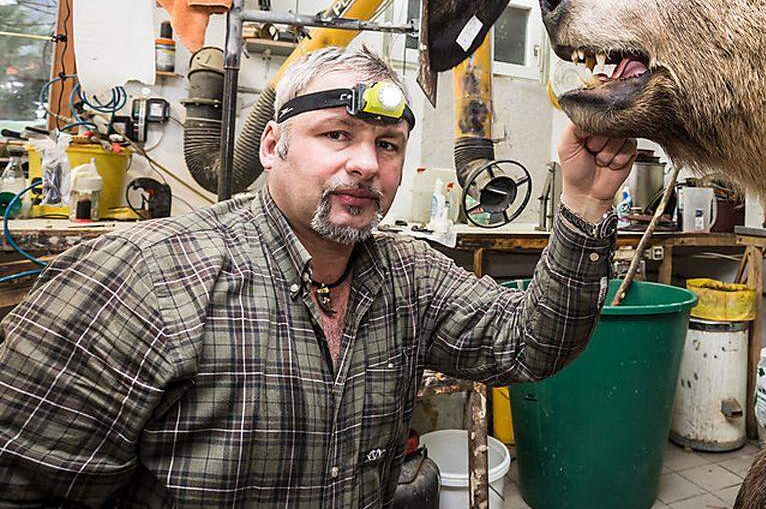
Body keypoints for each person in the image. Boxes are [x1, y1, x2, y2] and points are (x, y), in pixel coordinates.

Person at [0, 46, 636, 505]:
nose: (365, 163)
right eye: (338, 134)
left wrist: (584, 204)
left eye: (387, 145)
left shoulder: (411, 275)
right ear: (272, 145)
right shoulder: (139, 280)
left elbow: (532, 343)